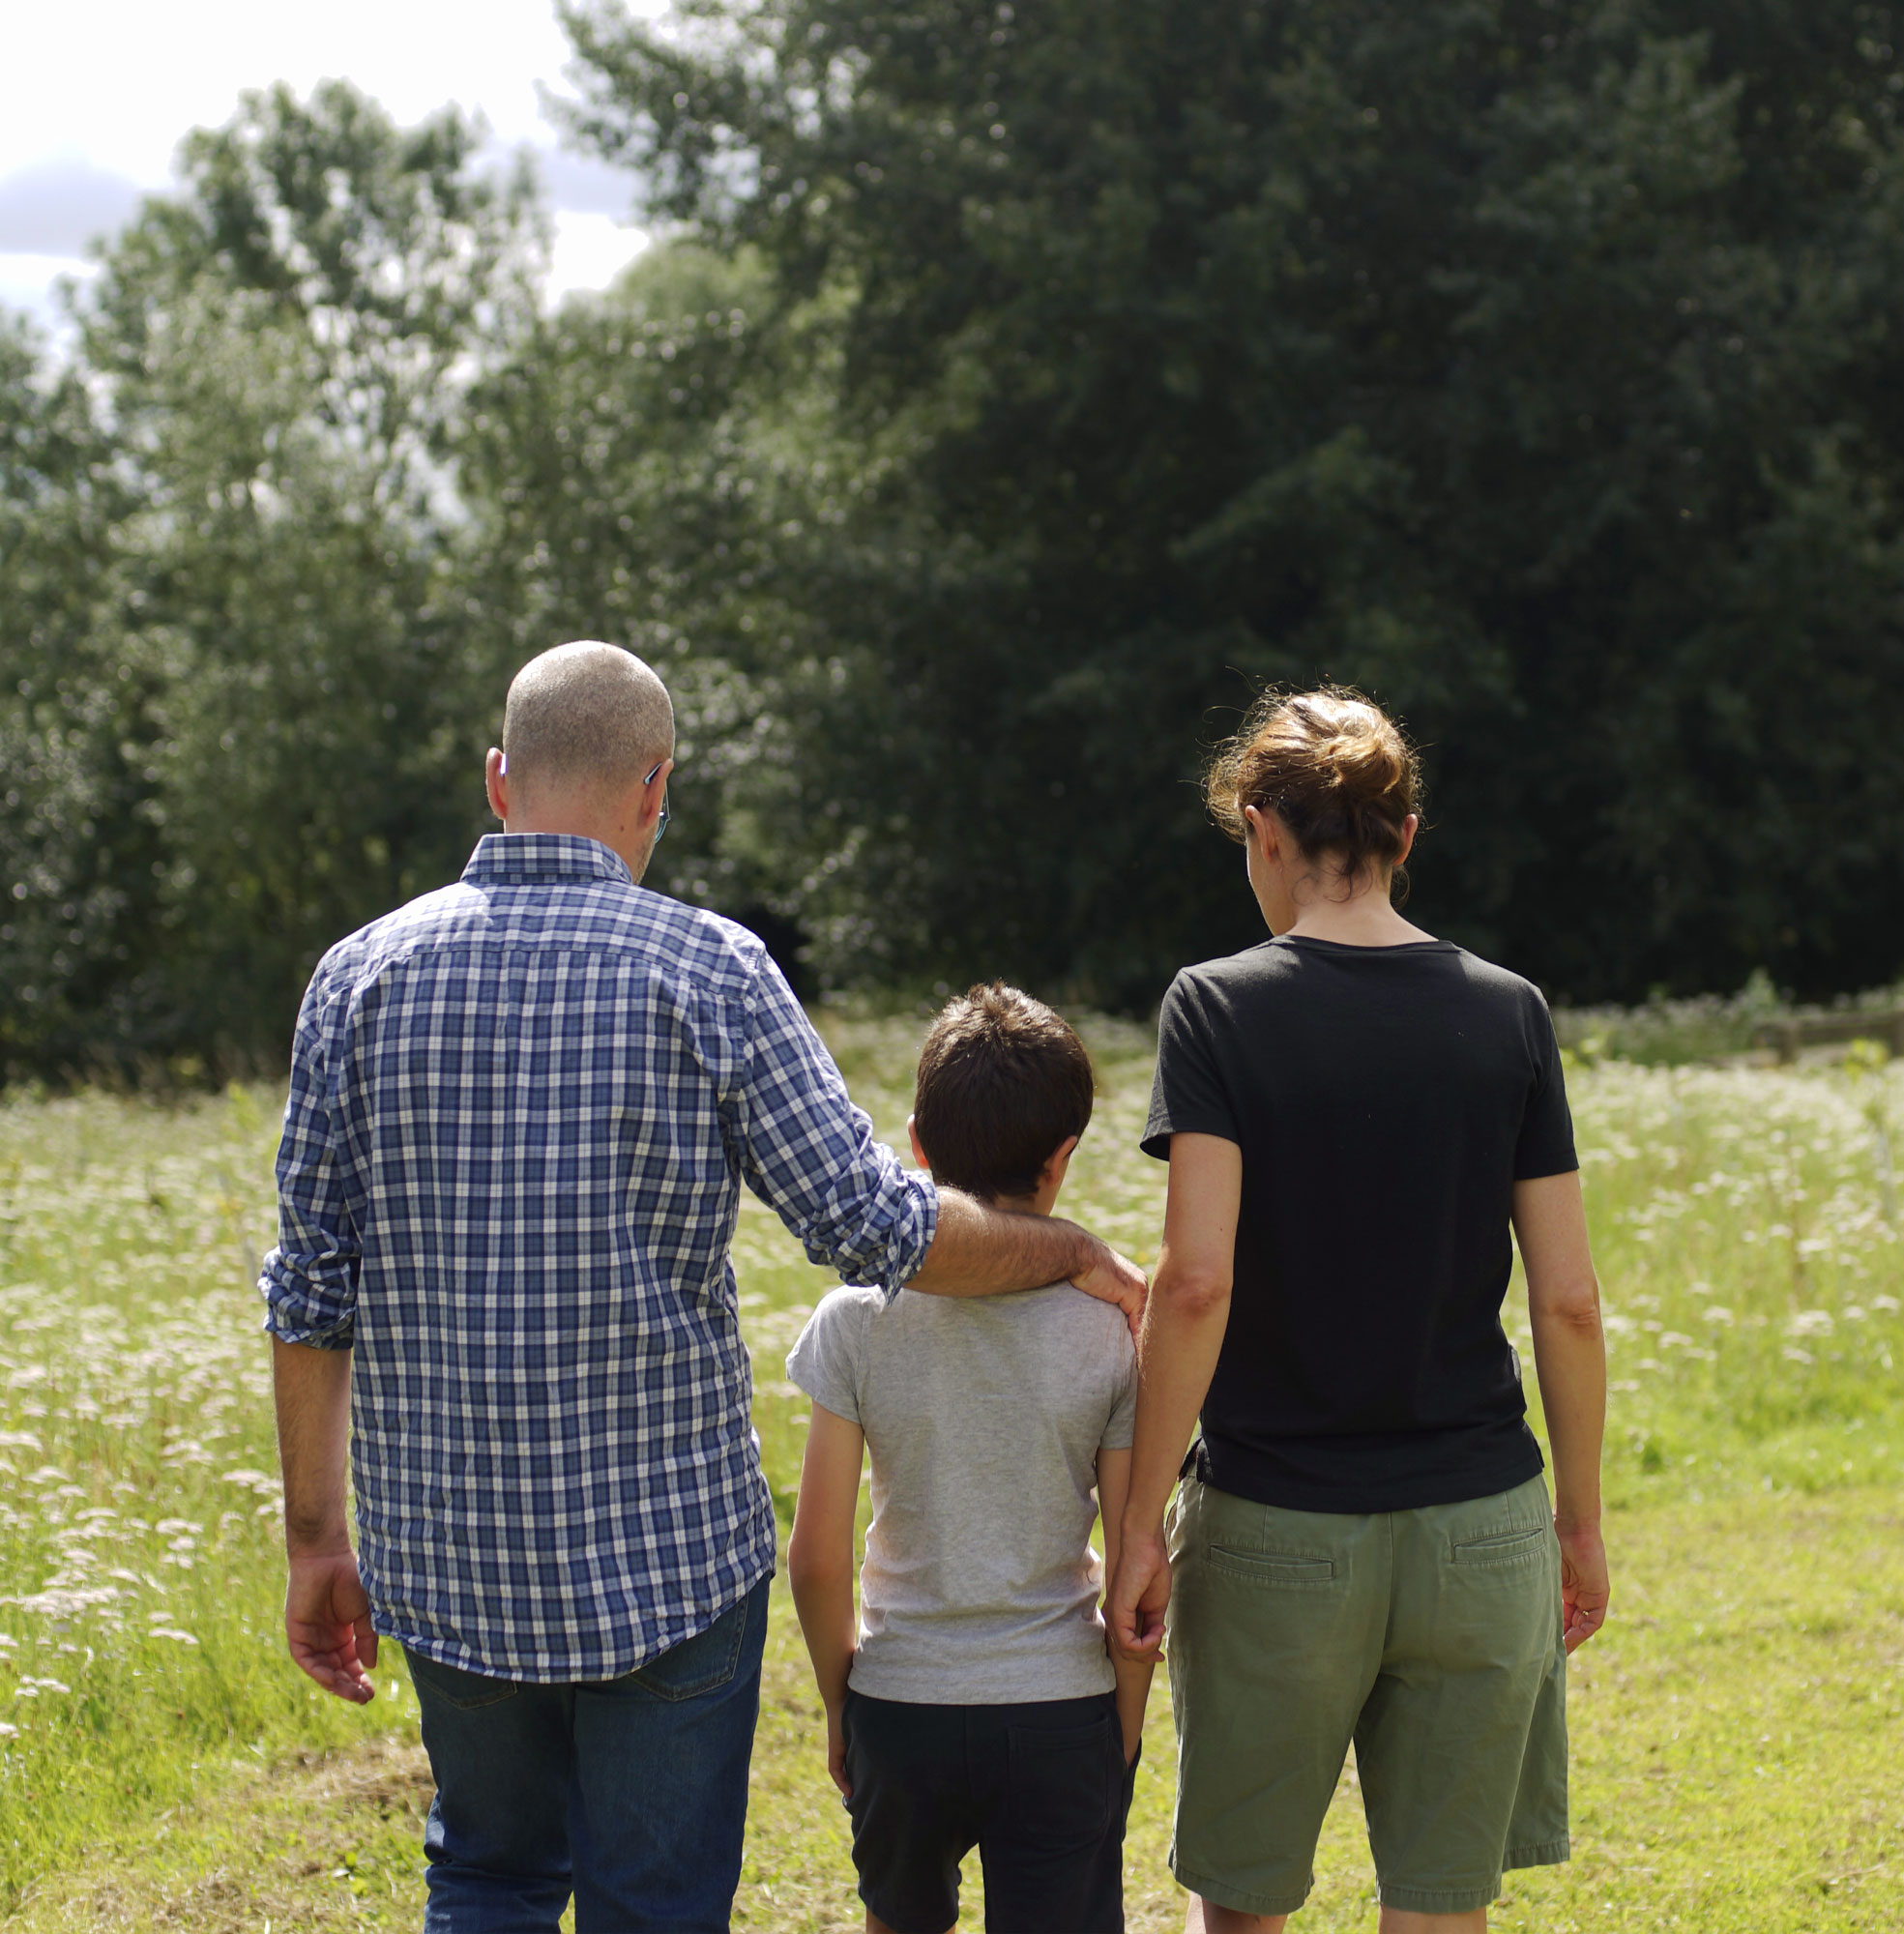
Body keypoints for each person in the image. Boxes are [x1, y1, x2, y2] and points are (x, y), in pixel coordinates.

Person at [258, 641, 1148, 1934]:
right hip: (666, 1561)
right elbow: (872, 1221)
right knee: (657, 1907)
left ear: (499, 780)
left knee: (487, 1880)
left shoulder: (356, 979)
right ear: (654, 787)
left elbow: (308, 1293)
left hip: (443, 1555)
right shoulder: (712, 972)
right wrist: (1066, 1251)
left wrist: (316, 1544)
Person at [1104, 689, 1612, 1934]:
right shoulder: (1510, 1010)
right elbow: (1569, 1299)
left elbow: (1197, 1281)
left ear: (1266, 828)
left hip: (1279, 1525)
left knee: (1246, 1904)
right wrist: (1579, 1522)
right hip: (1484, 1530)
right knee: (1443, 1908)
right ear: (1407, 833)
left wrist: (1137, 1519)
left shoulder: (1216, 1004)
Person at [786, 984, 1152, 1934]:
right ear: (1064, 1155)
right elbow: (1133, 1562)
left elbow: (818, 1555)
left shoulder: (855, 1317)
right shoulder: (1111, 1330)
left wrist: (843, 1706)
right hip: (1060, 1704)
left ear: (914, 1144)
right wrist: (1124, 1722)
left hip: (901, 1702)